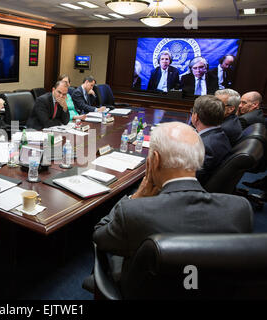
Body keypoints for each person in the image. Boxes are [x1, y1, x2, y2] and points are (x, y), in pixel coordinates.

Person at [93, 121, 253, 294]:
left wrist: (137, 196)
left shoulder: (134, 211)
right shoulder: (240, 209)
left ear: (154, 160)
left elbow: (100, 237)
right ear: (199, 158)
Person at [190, 95, 231, 185]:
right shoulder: (218, 135)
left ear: (196, 117)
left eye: (192, 112)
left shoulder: (206, 146)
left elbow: (192, 176)